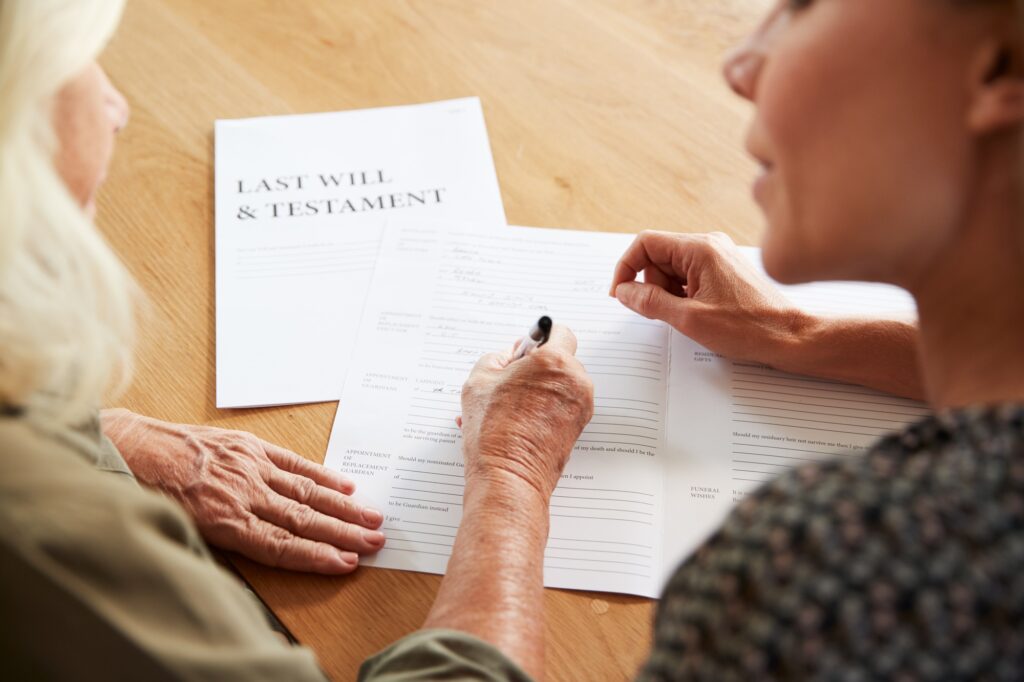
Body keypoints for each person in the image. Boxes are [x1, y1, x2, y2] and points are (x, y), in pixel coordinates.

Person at [358, 0, 1024, 680]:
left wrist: (511, 469)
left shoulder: (820, 573)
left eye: (804, 6)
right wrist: (794, 335)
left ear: (996, 76)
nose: (739, 66)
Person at [0, 1, 384, 677]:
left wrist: (103, 441)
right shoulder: (38, 539)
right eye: (68, 63)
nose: (116, 106)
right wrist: (510, 477)